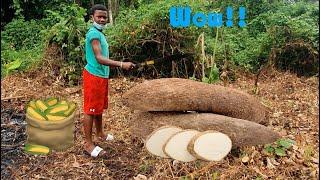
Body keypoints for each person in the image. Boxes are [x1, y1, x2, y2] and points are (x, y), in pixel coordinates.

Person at [82, 4, 135, 157]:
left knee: (98, 107)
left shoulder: (100, 33)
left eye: (104, 17)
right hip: (93, 75)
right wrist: (121, 64)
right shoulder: (93, 34)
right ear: (92, 17)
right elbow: (99, 57)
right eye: (99, 16)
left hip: (102, 76)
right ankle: (88, 144)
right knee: (90, 110)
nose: (102, 19)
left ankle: (100, 134)